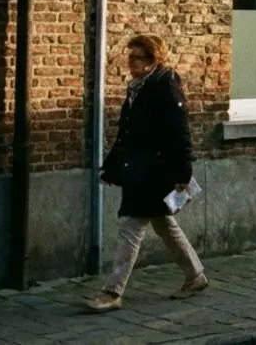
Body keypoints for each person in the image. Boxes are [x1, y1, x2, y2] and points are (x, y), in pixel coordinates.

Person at [87, 34, 207, 312]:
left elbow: (180, 131)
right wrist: (112, 167)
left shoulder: (165, 84)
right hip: (138, 170)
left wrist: (183, 172)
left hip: (157, 170)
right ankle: (195, 276)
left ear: (154, 59)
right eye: (129, 56)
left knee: (131, 227)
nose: (130, 62)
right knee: (164, 224)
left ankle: (112, 291)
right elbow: (126, 133)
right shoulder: (138, 87)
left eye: (137, 57)